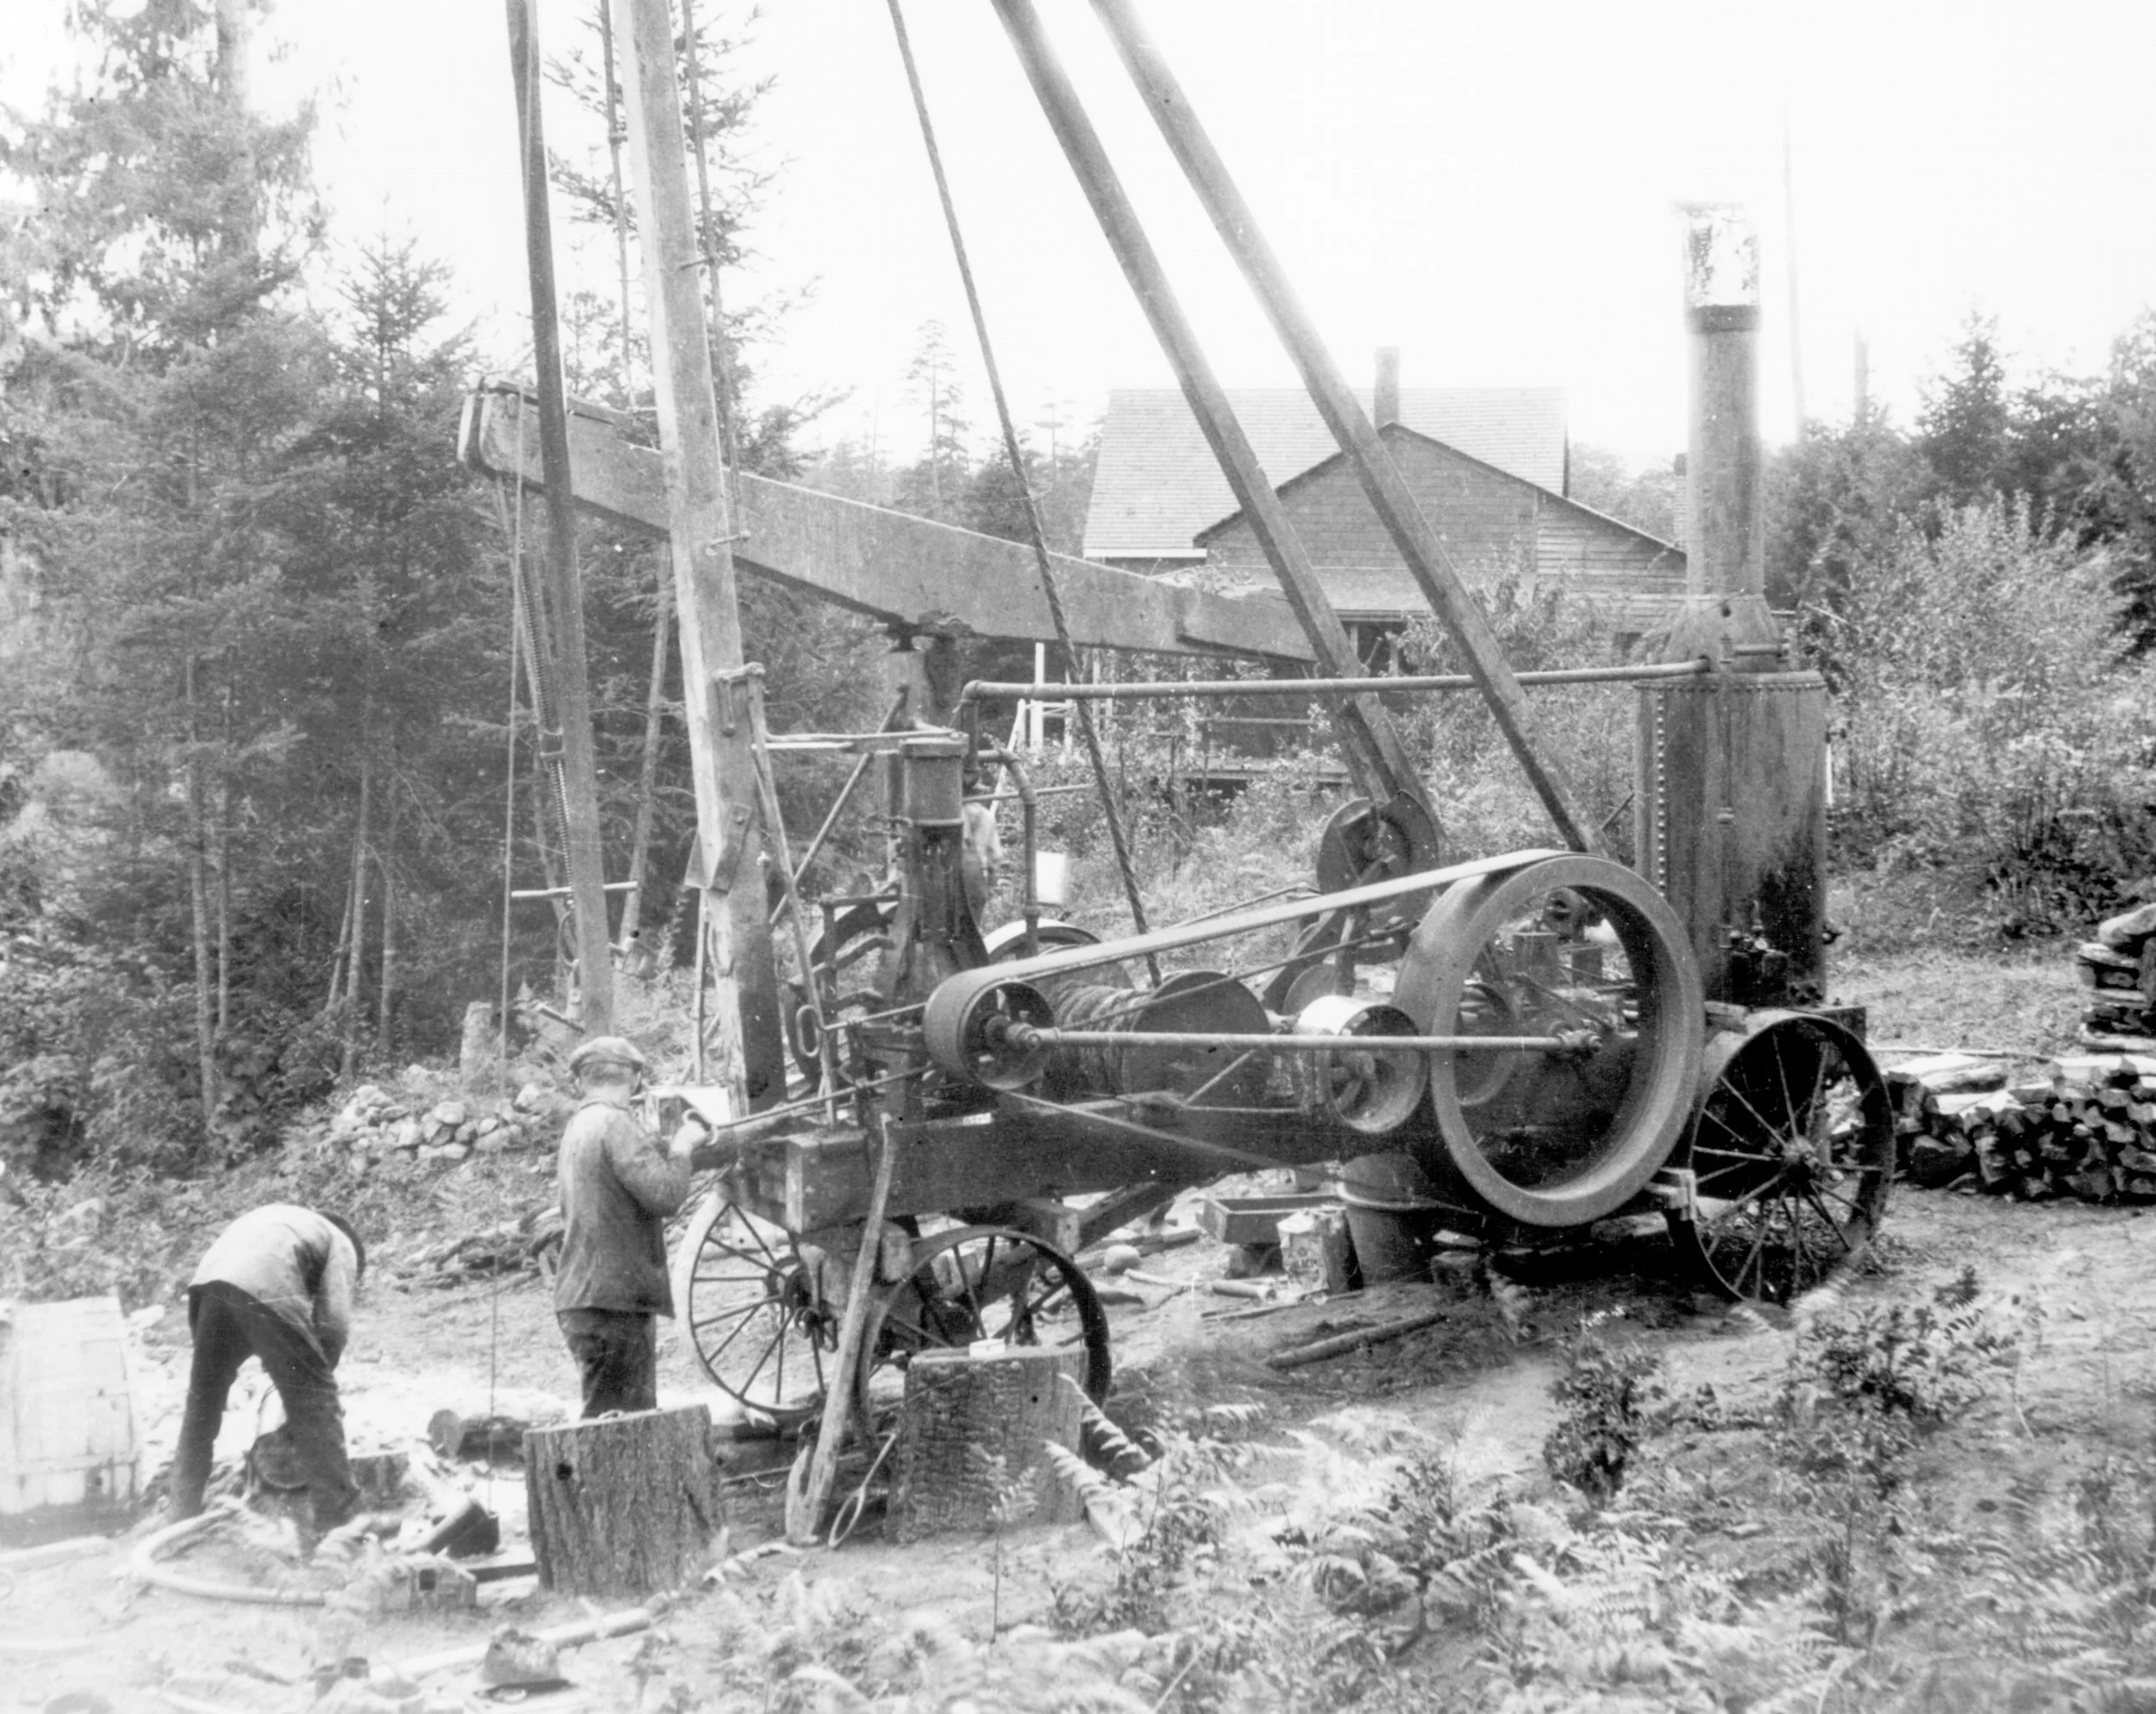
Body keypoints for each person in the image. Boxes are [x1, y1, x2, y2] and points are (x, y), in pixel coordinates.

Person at [168, 1204, 365, 1535]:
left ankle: (180, 1511)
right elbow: (334, 1327)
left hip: (209, 1286)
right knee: (318, 1399)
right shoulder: (340, 1242)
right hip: (265, 1285)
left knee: (202, 1404)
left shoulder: (290, 1222)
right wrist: (313, 1380)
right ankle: (340, 1521)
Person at [555, 1035, 705, 1416]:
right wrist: (683, 1147)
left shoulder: (579, 1125)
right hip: (613, 1306)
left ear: (581, 1082)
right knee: (624, 1432)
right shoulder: (615, 1123)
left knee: (605, 1426)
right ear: (634, 1080)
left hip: (585, 1299)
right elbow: (665, 1195)